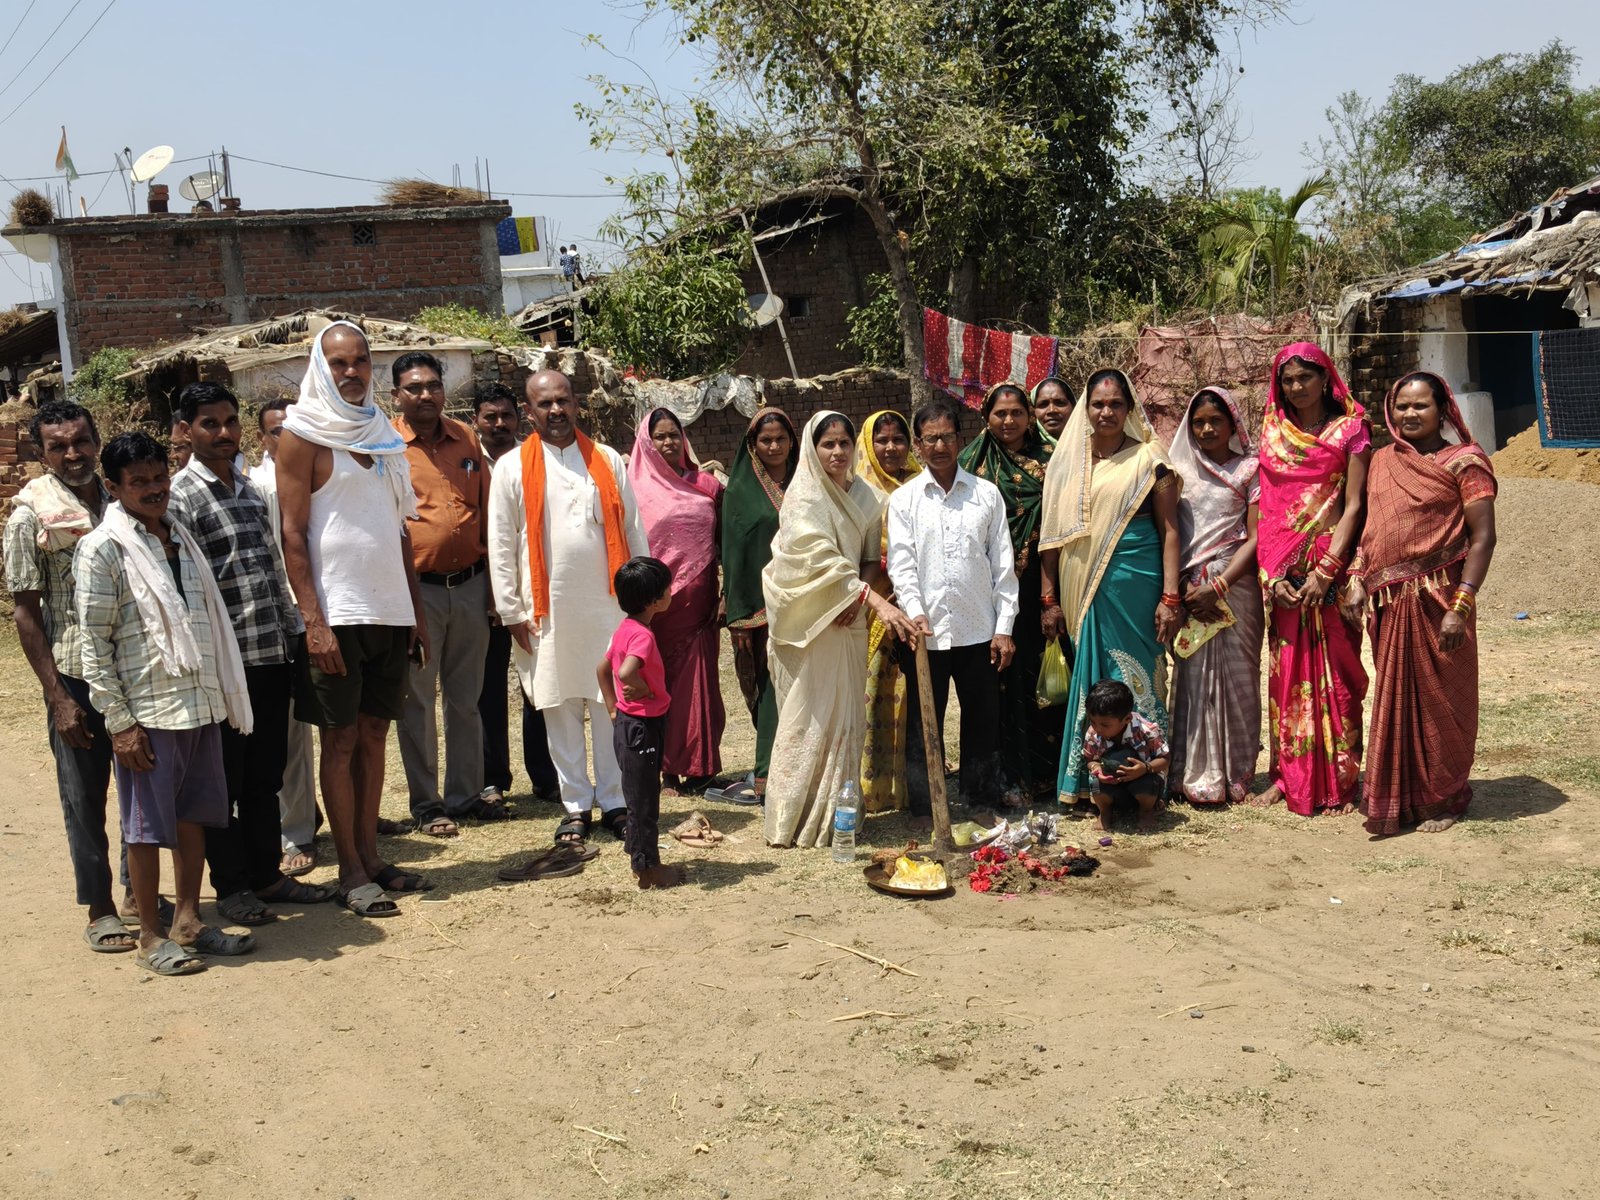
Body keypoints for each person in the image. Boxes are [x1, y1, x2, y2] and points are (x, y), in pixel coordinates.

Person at [75, 431, 256, 974]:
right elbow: (92, 642)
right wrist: (119, 722)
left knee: (193, 817)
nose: (154, 489)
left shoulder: (178, 533)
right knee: (145, 826)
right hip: (146, 711)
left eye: (159, 478)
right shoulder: (103, 548)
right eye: (139, 482)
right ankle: (151, 936)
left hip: (197, 704)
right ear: (113, 487)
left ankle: (188, 921)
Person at [276, 320, 431, 918]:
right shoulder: (303, 437)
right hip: (337, 615)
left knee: (373, 735)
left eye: (360, 361)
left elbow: (397, 533)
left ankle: (371, 857)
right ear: (321, 367)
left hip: (389, 611)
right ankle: (348, 870)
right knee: (339, 740)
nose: (351, 372)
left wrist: (414, 615)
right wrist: (313, 622)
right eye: (339, 363)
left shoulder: (384, 436)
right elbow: (291, 535)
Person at [168, 383, 330, 924]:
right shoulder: (180, 497)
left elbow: (272, 571)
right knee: (226, 783)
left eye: (230, 421)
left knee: (266, 776)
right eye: (209, 423)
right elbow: (185, 589)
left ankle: (266, 875)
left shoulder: (248, 487)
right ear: (186, 431)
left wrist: (295, 637)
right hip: (222, 665)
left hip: (268, 654)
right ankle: (232, 885)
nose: (223, 433)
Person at [487, 369, 648, 852]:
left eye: (563, 401)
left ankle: (615, 801)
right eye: (544, 404)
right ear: (528, 411)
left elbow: (634, 530)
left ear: (577, 404)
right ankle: (575, 805)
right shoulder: (512, 467)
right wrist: (510, 609)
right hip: (546, 611)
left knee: (609, 705)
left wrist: (639, 604)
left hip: (608, 609)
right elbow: (499, 543)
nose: (555, 411)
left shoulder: (608, 460)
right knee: (558, 707)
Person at [1346, 372, 1497, 836]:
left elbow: (1483, 537)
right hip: (1390, 604)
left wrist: (1461, 605)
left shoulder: (1465, 462)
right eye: (1401, 407)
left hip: (1442, 599)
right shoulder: (1380, 462)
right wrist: (1354, 577)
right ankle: (1401, 794)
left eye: (1420, 406)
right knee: (1395, 699)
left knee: (1442, 702)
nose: (1409, 415)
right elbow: (1370, 533)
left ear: (1442, 410)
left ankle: (1446, 796)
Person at [4, 401, 131, 953]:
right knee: (84, 796)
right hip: (75, 676)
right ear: (41, 452)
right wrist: (57, 696)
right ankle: (100, 907)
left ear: (97, 439)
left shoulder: (120, 497)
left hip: (132, 669)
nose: (72, 454)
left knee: (142, 787)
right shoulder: (29, 513)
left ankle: (139, 892)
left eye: (81, 441)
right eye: (58, 446)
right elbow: (26, 612)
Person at [762, 411, 917, 848]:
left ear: (854, 447)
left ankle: (837, 815)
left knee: (848, 715)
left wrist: (858, 593)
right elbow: (814, 557)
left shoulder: (867, 497)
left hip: (848, 616)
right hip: (812, 616)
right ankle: (790, 819)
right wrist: (866, 600)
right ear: (813, 449)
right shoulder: (803, 496)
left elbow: (869, 555)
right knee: (807, 714)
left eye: (843, 444)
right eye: (827, 444)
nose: (836, 452)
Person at [1039, 368, 1181, 805]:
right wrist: (1048, 597)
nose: (1106, 412)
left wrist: (1170, 596)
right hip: (1083, 588)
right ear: (1086, 408)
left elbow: (1171, 530)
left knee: (1137, 673)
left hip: (1137, 584)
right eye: (1098, 404)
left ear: (1129, 409)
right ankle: (1090, 782)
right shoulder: (1067, 465)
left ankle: (1147, 779)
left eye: (1116, 404)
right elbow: (1052, 539)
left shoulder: (1149, 459)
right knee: (1096, 676)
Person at [1252, 343, 1371, 816]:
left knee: (1339, 676)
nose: (1296, 387)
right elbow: (1268, 509)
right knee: (1285, 680)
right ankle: (1287, 776)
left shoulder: (1351, 430)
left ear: (1326, 378)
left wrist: (1328, 572)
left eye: (1305, 377)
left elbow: (1356, 505)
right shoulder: (1273, 434)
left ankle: (1342, 778)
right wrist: (1272, 575)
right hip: (1282, 571)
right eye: (1288, 380)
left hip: (1333, 567)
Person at [888, 397, 1017, 812]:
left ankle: (979, 798)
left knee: (982, 719)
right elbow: (902, 563)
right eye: (930, 439)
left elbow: (1003, 565)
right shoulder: (905, 500)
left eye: (946, 436)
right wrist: (914, 610)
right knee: (924, 722)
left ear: (960, 439)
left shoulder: (986, 495)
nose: (939, 446)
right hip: (924, 633)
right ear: (918, 445)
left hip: (979, 629)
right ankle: (926, 806)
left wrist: (1004, 627)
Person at [390, 351, 499, 836]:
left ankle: (465, 795)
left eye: (433, 385)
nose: (426, 395)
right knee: (416, 700)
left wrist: (496, 587)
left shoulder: (467, 439)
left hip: (472, 585)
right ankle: (428, 804)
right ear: (397, 395)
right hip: (418, 591)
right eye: (414, 388)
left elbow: (489, 513)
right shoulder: (385, 446)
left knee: (465, 698)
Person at [959, 382, 1061, 805]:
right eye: (999, 413)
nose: (1008, 421)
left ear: (1030, 416)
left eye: (1017, 412)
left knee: (1039, 676)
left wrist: (1050, 596)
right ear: (986, 416)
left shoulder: (1054, 460)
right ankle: (999, 776)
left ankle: (1045, 772)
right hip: (988, 591)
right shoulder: (970, 463)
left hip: (1042, 581)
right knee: (995, 683)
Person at [1167, 387, 1264, 806]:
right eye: (1199, 422)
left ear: (1232, 425)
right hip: (1191, 590)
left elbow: (1258, 537)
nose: (1206, 429)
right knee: (1192, 678)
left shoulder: (1251, 470)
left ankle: (1237, 773)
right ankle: (1191, 774)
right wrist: (1183, 589)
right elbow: (1168, 532)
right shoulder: (1178, 472)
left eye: (1215, 421)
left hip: (1235, 586)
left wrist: (1220, 585)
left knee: (1240, 677)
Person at [627, 408, 725, 793]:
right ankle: (665, 767)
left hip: (698, 599)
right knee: (658, 680)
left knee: (699, 681)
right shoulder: (633, 487)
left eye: (674, 435)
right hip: (655, 602)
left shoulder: (708, 485)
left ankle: (700, 765)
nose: (669, 443)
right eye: (660, 437)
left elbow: (724, 542)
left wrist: (725, 592)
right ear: (646, 443)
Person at [473, 384, 560, 806]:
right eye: (490, 416)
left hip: (532, 593)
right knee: (487, 690)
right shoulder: (465, 460)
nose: (499, 424)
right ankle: (493, 778)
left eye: (506, 415)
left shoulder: (537, 458)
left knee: (536, 686)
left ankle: (544, 776)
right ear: (477, 420)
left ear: (520, 416)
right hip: (480, 593)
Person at [251, 396, 322, 877]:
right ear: (262, 439)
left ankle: (310, 815)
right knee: (289, 735)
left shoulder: (318, 477)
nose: (288, 438)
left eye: (296, 429)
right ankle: (292, 833)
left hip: (318, 615)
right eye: (278, 431)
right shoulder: (256, 487)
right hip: (277, 623)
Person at [715, 407, 797, 805]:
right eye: (766, 440)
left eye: (781, 438)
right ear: (753, 444)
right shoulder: (738, 494)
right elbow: (734, 554)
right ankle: (768, 775)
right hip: (759, 609)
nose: (775, 446)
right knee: (768, 691)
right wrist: (740, 614)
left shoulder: (808, 480)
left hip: (805, 604)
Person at [597, 556, 685, 889]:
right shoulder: (643, 637)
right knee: (644, 800)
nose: (670, 592)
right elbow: (622, 671)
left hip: (627, 725)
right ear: (654, 600)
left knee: (635, 793)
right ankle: (647, 868)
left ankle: (635, 847)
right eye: (667, 588)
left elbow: (602, 669)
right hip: (643, 727)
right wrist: (643, 687)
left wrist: (611, 707)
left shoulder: (625, 629)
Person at [854, 410, 919, 813]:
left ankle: (909, 785)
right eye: (882, 441)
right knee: (872, 696)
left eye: (899, 440)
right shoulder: (858, 492)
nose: (892, 448)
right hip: (872, 608)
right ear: (868, 444)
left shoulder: (921, 486)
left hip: (913, 608)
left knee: (910, 696)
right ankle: (871, 788)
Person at [1081, 679, 1170, 832]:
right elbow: (1090, 758)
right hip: (1112, 785)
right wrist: (1097, 768)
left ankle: (1146, 812)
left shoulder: (1146, 730)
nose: (1097, 728)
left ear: (1127, 719)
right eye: (1093, 722)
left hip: (1142, 781)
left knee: (1148, 784)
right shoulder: (1094, 732)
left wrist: (1145, 768)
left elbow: (1165, 758)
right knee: (1096, 783)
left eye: (1105, 725)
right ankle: (1105, 813)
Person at [1031, 375, 1075, 443]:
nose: (1051, 410)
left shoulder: (1089, 448)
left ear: (1074, 407)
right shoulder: (1021, 451)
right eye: (1043, 404)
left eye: (1060, 403)